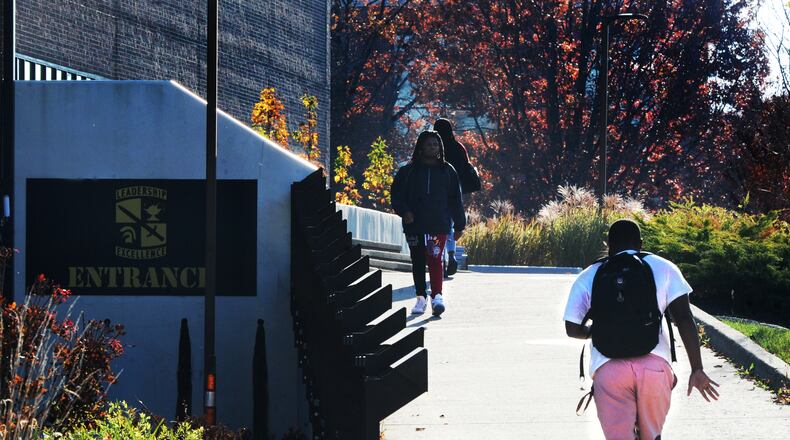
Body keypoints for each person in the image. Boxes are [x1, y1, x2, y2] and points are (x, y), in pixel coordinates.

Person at [563, 219, 719, 440]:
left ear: (608, 245)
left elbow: (572, 328)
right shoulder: (664, 268)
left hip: (609, 369)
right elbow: (684, 319)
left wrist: (597, 330)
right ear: (641, 243)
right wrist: (697, 369)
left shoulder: (591, 274)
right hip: (654, 368)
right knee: (652, 436)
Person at [391, 130, 466, 316]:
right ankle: (421, 298)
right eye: (429, 144)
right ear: (421, 147)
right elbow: (397, 195)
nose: (433, 147)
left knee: (435, 257)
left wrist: (459, 225)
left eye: (436, 144)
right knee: (417, 260)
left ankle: (437, 297)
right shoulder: (408, 171)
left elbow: (456, 199)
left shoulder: (448, 171)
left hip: (438, 223)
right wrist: (404, 212)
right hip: (414, 224)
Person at [433, 118, 474, 276]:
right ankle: (451, 254)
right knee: (450, 223)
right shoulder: (458, 147)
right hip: (456, 190)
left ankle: (440, 256)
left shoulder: (433, 148)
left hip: (436, 191)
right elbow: (465, 167)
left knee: (437, 224)